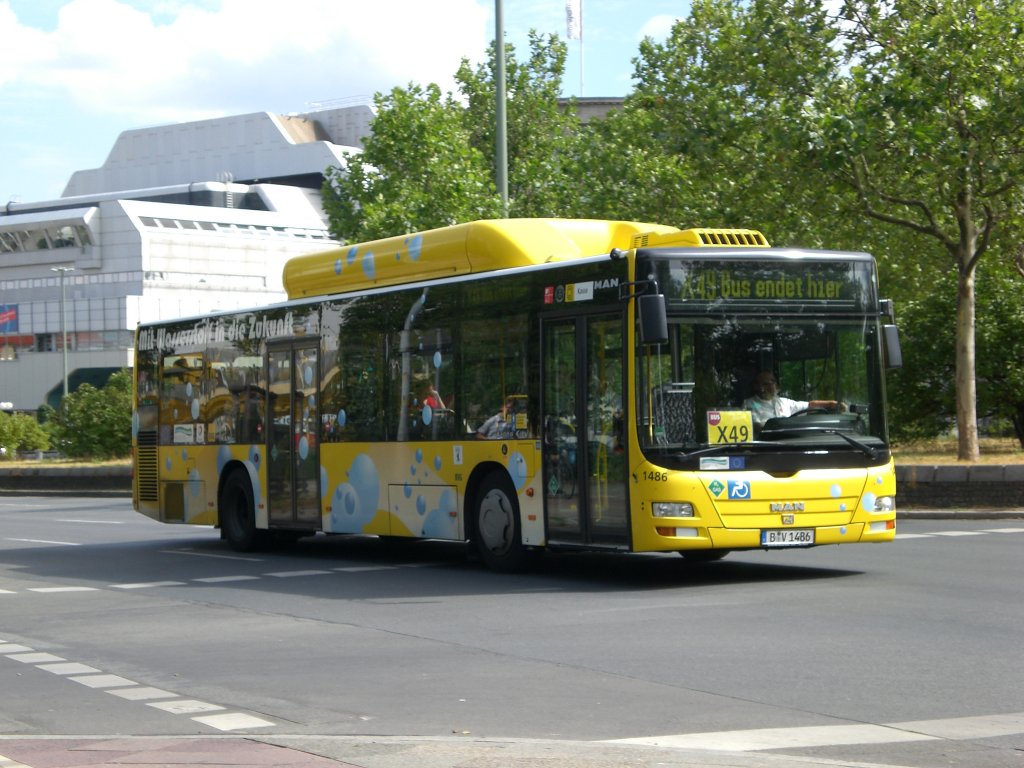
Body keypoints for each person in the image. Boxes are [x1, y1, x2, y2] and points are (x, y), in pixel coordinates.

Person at [743, 371, 839, 431]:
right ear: (755, 386)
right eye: (760, 384)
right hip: (765, 448)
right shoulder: (750, 404)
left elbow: (810, 405)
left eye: (766, 384)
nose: (762, 388)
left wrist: (832, 404)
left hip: (790, 444)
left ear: (776, 386)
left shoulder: (783, 402)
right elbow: (757, 427)